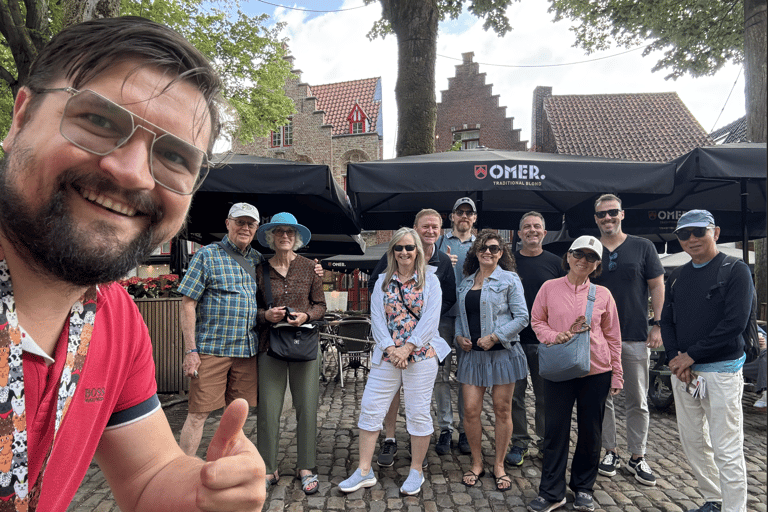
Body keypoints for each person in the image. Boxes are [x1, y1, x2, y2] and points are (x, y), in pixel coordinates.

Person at [0, 16, 265, 512]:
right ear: (20, 119)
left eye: (175, 158)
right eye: (100, 121)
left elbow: (149, 476)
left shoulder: (117, 320)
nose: (130, 172)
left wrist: (205, 492)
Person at [339, 228, 450, 496]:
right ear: (392, 252)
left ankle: (416, 471)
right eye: (398, 248)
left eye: (409, 248)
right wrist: (392, 349)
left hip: (421, 356)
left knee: (418, 411)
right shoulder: (382, 282)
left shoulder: (431, 281)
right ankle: (364, 470)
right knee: (370, 407)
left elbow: (430, 320)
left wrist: (408, 347)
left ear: (418, 251)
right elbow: (376, 318)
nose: (404, 252)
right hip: (388, 356)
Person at [661, 210, 750, 512]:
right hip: (685, 374)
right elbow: (667, 321)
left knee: (726, 447)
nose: (691, 239)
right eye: (683, 234)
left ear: (716, 232)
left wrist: (691, 356)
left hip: (721, 373)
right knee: (694, 443)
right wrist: (676, 359)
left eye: (698, 231)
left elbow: (735, 323)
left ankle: (733, 508)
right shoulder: (678, 276)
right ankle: (713, 498)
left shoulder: (735, 269)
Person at [527, 236, 622, 512]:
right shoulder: (549, 288)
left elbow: (613, 336)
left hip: (596, 370)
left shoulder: (603, 294)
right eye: (578, 254)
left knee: (591, 432)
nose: (583, 260)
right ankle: (551, 491)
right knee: (555, 430)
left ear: (597, 264)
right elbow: (537, 320)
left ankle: (583, 487)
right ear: (568, 256)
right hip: (559, 369)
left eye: (591, 257)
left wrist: (617, 374)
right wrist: (555, 336)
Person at [366, 209, 456, 467]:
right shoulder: (395, 253)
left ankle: (420, 447)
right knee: (392, 390)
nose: (430, 231)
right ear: (416, 228)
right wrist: (394, 344)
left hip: (428, 334)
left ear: (440, 231)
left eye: (435, 227)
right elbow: (377, 287)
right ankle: (391, 438)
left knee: (422, 395)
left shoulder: (443, 260)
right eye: (425, 226)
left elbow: (449, 295)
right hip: (393, 341)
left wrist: (427, 318)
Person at [178, 203, 262, 457]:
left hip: (246, 351)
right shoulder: (207, 255)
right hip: (212, 349)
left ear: (256, 228)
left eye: (250, 223)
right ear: (228, 224)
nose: (245, 228)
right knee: (198, 414)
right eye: (240, 222)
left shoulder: (257, 259)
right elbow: (187, 304)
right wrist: (191, 350)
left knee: (238, 413)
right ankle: (182, 472)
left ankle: (226, 465)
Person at [592, 194, 664, 487]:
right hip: (597, 337)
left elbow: (657, 285)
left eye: (612, 213)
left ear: (622, 214)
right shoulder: (592, 248)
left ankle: (638, 455)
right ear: (595, 219)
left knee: (637, 399)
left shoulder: (643, 246)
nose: (607, 218)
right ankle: (611, 451)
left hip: (634, 334)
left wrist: (657, 324)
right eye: (601, 215)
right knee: (602, 398)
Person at [255, 213, 326, 494]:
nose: (285, 236)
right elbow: (252, 309)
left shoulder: (310, 268)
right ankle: (267, 467)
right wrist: (266, 315)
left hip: (304, 343)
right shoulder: (259, 269)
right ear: (271, 237)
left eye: (290, 232)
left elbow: (321, 306)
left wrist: (306, 314)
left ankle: (306, 465)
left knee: (307, 407)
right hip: (270, 345)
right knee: (269, 410)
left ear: (297, 238)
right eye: (279, 231)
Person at [455, 230, 529, 491]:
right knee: (471, 410)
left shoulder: (509, 279)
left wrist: (496, 336)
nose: (488, 251)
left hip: (502, 355)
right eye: (483, 248)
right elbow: (458, 316)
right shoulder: (465, 283)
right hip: (472, 356)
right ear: (476, 252)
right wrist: (458, 336)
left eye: (494, 248)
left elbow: (522, 317)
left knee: (502, 410)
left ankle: (499, 465)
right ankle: (477, 463)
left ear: (501, 253)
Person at [506, 212, 565, 467]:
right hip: (514, 341)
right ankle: (519, 442)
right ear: (519, 234)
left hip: (546, 341)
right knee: (515, 396)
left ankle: (545, 443)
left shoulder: (556, 263)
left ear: (544, 232)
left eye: (537, 227)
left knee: (545, 396)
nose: (532, 230)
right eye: (527, 227)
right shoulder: (508, 262)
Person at [434, 197, 477, 455]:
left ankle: (465, 428)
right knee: (440, 374)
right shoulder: (438, 242)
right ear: (452, 216)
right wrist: (440, 265)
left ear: (474, 218)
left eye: (468, 213)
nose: (464, 216)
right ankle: (445, 427)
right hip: (440, 316)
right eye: (459, 212)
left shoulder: (481, 246)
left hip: (468, 317)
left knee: (466, 375)